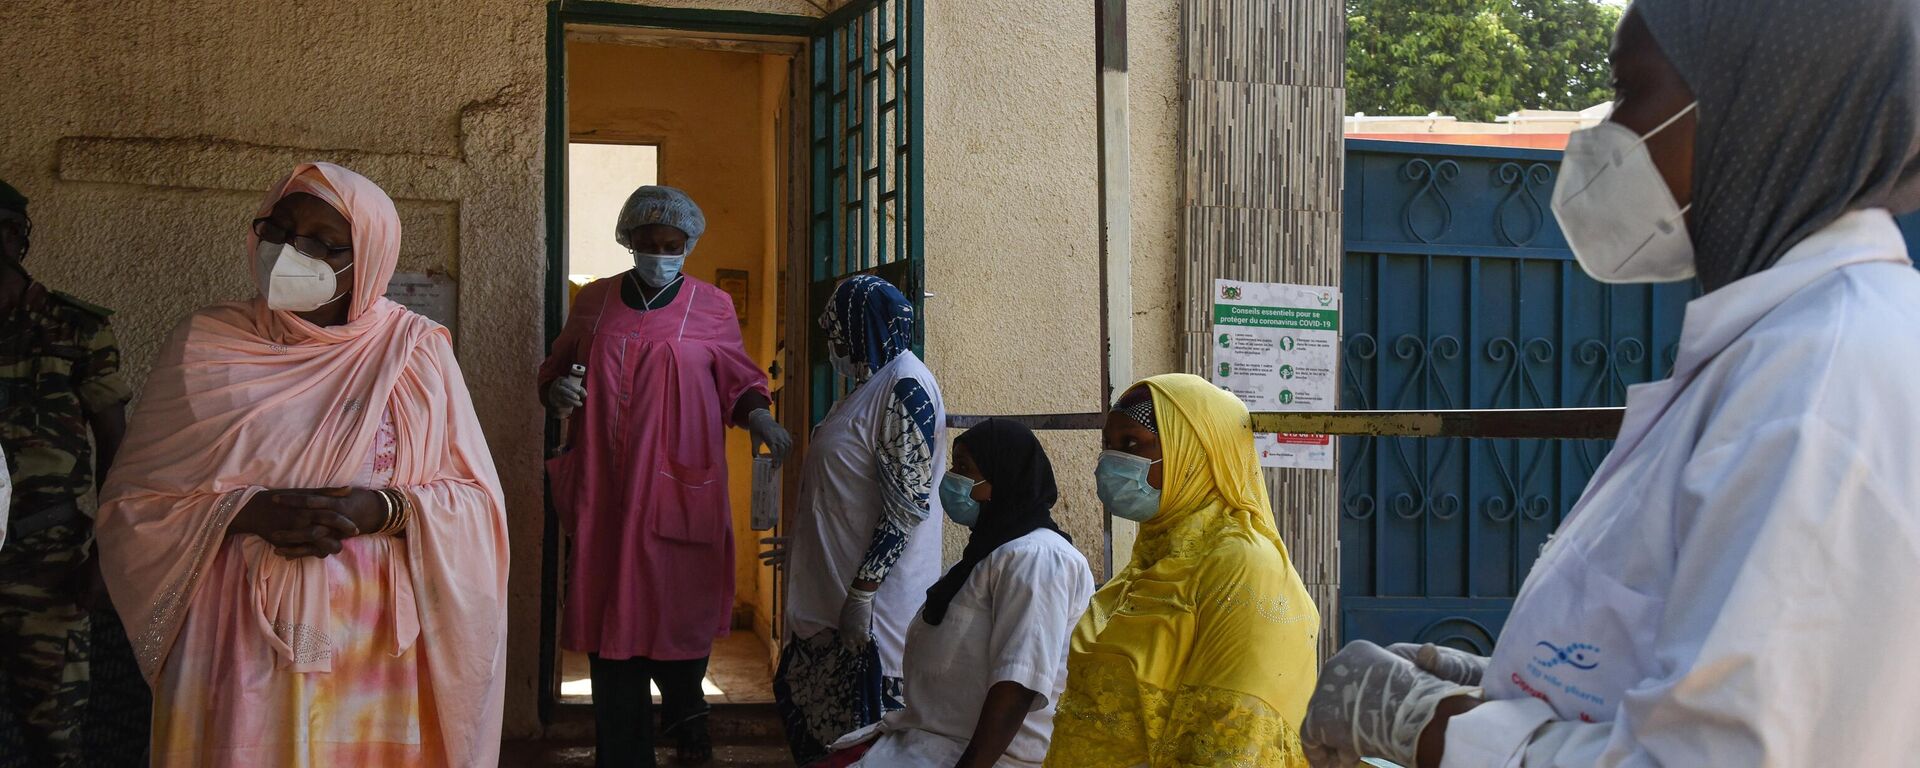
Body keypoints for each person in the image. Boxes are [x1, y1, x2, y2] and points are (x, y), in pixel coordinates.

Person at [1301, 2, 1920, 766]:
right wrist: (1499, 690)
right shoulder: (1779, 352)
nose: (1605, 130)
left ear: (1763, 107)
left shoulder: (1818, 388)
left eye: (1630, 91)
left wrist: (1436, 730)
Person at [93, 162, 510, 767]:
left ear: (368, 254)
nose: (292, 251)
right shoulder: (206, 342)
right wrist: (243, 512)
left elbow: (477, 502)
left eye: (324, 243)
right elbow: (133, 506)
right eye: (280, 230)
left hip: (375, 651)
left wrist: (382, 508)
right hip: (236, 639)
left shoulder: (414, 351)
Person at [539, 184, 791, 767]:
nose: (659, 252)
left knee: (681, 615)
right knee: (611, 619)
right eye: (648, 242)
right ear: (629, 241)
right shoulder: (595, 302)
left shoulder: (711, 306)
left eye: (671, 244)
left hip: (680, 486)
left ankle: (688, 720)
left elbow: (738, 377)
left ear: (688, 245)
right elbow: (556, 368)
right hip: (607, 490)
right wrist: (557, 392)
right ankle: (623, 753)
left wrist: (757, 416)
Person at [1045, 374, 1321, 767]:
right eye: (1109, 444)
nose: (1112, 460)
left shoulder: (1242, 567)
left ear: (1193, 452)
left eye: (1133, 444)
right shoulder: (1148, 562)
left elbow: (1234, 743)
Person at [828, 418, 1094, 767]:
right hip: (932, 743)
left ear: (1002, 479)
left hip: (991, 757)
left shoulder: (1038, 559)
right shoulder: (989, 553)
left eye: (964, 468)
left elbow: (1018, 685)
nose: (952, 478)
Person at [771, 274, 946, 767]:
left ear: (861, 328)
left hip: (875, 608)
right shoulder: (869, 389)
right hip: (835, 595)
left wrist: (864, 592)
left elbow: (906, 504)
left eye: (837, 333)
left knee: (864, 740)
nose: (833, 346)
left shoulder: (905, 385)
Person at [0, 177, 133, 768]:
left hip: (48, 561)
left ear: (11, 237)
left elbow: (116, 448)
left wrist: (106, 556)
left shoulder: (73, 328)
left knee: (53, 741)